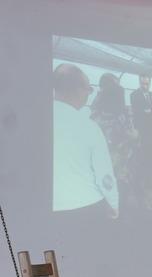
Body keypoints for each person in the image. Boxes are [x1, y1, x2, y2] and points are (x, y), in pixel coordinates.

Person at [52, 63, 119, 220]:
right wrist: (113, 204)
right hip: (86, 206)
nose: (89, 94)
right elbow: (104, 176)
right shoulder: (89, 127)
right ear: (79, 89)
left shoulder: (33, 118)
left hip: (47, 208)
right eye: (89, 89)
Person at [130, 74, 152, 185]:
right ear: (139, 83)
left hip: (151, 131)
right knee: (140, 155)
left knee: (150, 154)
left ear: (149, 84)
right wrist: (151, 110)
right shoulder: (134, 95)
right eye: (143, 83)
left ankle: (148, 179)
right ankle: (138, 180)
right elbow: (138, 111)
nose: (145, 85)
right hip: (141, 131)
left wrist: (149, 110)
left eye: (147, 83)